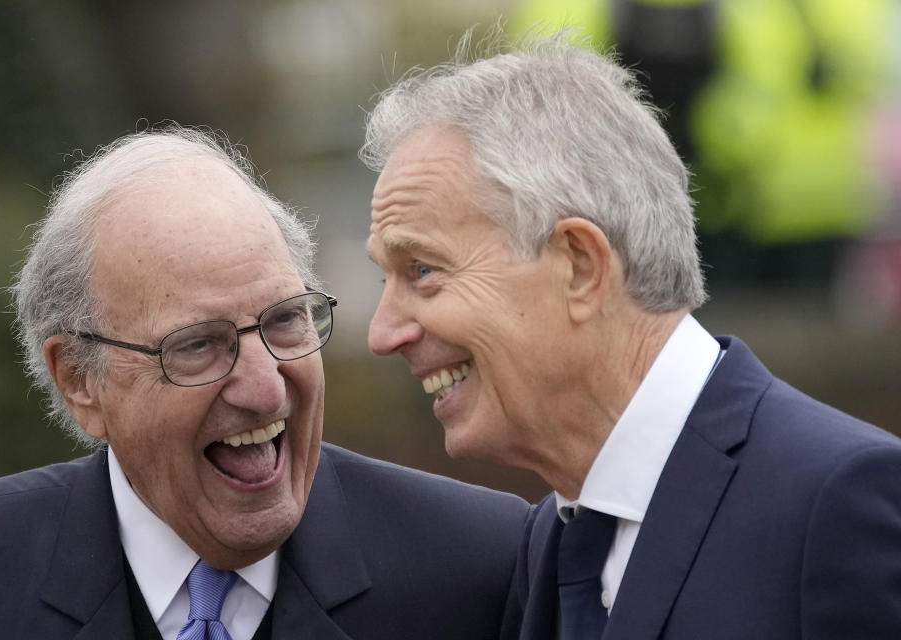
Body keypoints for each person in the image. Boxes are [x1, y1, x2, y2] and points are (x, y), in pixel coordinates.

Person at [361, 28, 901, 639]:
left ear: (581, 266)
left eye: (422, 270)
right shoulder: (550, 541)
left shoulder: (838, 502)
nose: (384, 333)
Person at [0, 127, 528, 640]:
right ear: (79, 380)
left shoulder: (486, 567)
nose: (266, 391)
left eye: (284, 320)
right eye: (198, 344)